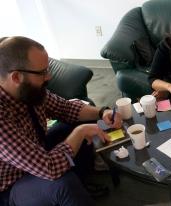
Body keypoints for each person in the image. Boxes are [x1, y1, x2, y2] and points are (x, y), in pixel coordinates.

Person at [0, 36, 122, 206]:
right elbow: (49, 167)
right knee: (62, 184)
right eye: (42, 73)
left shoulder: (28, 89)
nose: (48, 76)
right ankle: (72, 191)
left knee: (81, 120)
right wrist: (80, 133)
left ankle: (81, 185)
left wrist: (102, 112)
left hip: (37, 152)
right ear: (16, 77)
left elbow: (65, 108)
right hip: (10, 185)